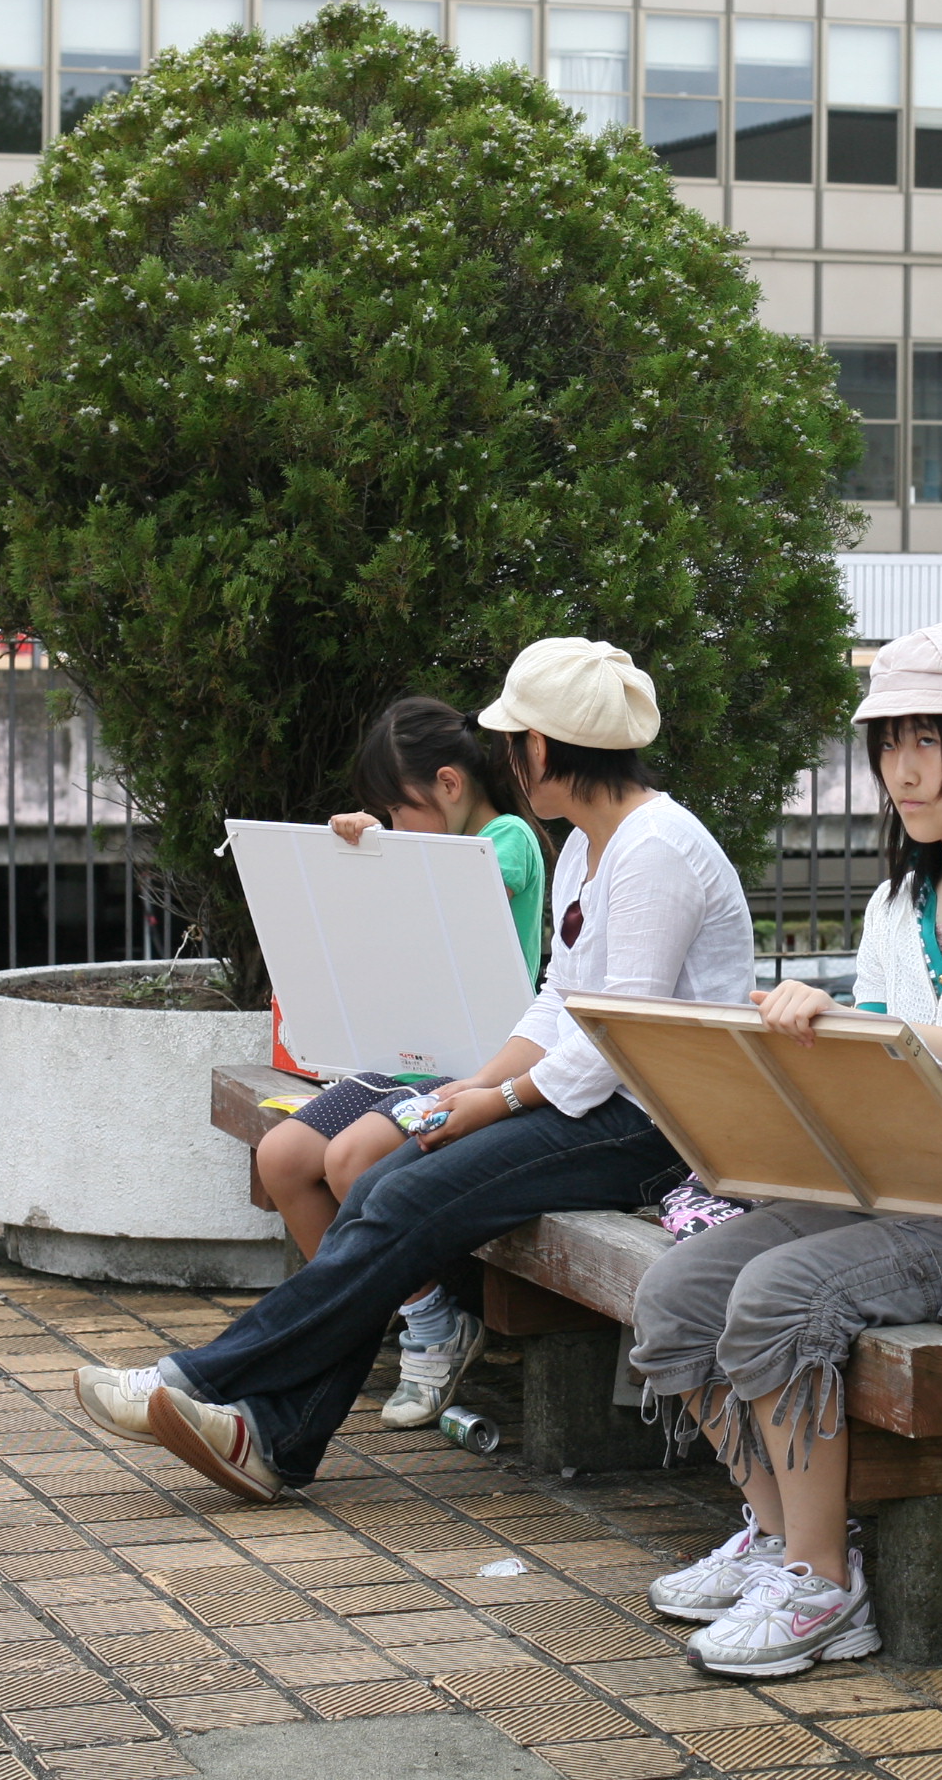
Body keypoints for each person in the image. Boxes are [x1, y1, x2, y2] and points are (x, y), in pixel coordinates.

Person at [68, 637, 754, 1499]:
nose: (507, 759)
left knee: (401, 1194)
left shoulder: (655, 851)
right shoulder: (592, 843)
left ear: (538, 749)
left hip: (657, 1122)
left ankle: (201, 1380)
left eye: (513, 742)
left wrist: (493, 1098)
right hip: (598, 1102)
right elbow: (558, 1004)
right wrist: (476, 1088)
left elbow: (620, 1040)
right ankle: (272, 1435)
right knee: (389, 1188)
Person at [630, 622, 942, 1677]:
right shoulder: (898, 898)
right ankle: (777, 1535)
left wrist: (852, 1031)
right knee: (679, 1292)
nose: (902, 767)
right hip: (902, 1192)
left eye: (928, 738)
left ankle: (824, 1586)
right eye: (887, 739)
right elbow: (879, 1087)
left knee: (777, 1297)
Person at [246, 695, 549, 1429]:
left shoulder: (508, 839)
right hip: (401, 1055)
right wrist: (366, 852)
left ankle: (436, 1332)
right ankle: (351, 1316)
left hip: (477, 1064)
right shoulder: (430, 842)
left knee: (352, 1161)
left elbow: (464, 886)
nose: (396, 822)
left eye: (400, 807)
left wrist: (381, 852)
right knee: (283, 1158)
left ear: (449, 784)